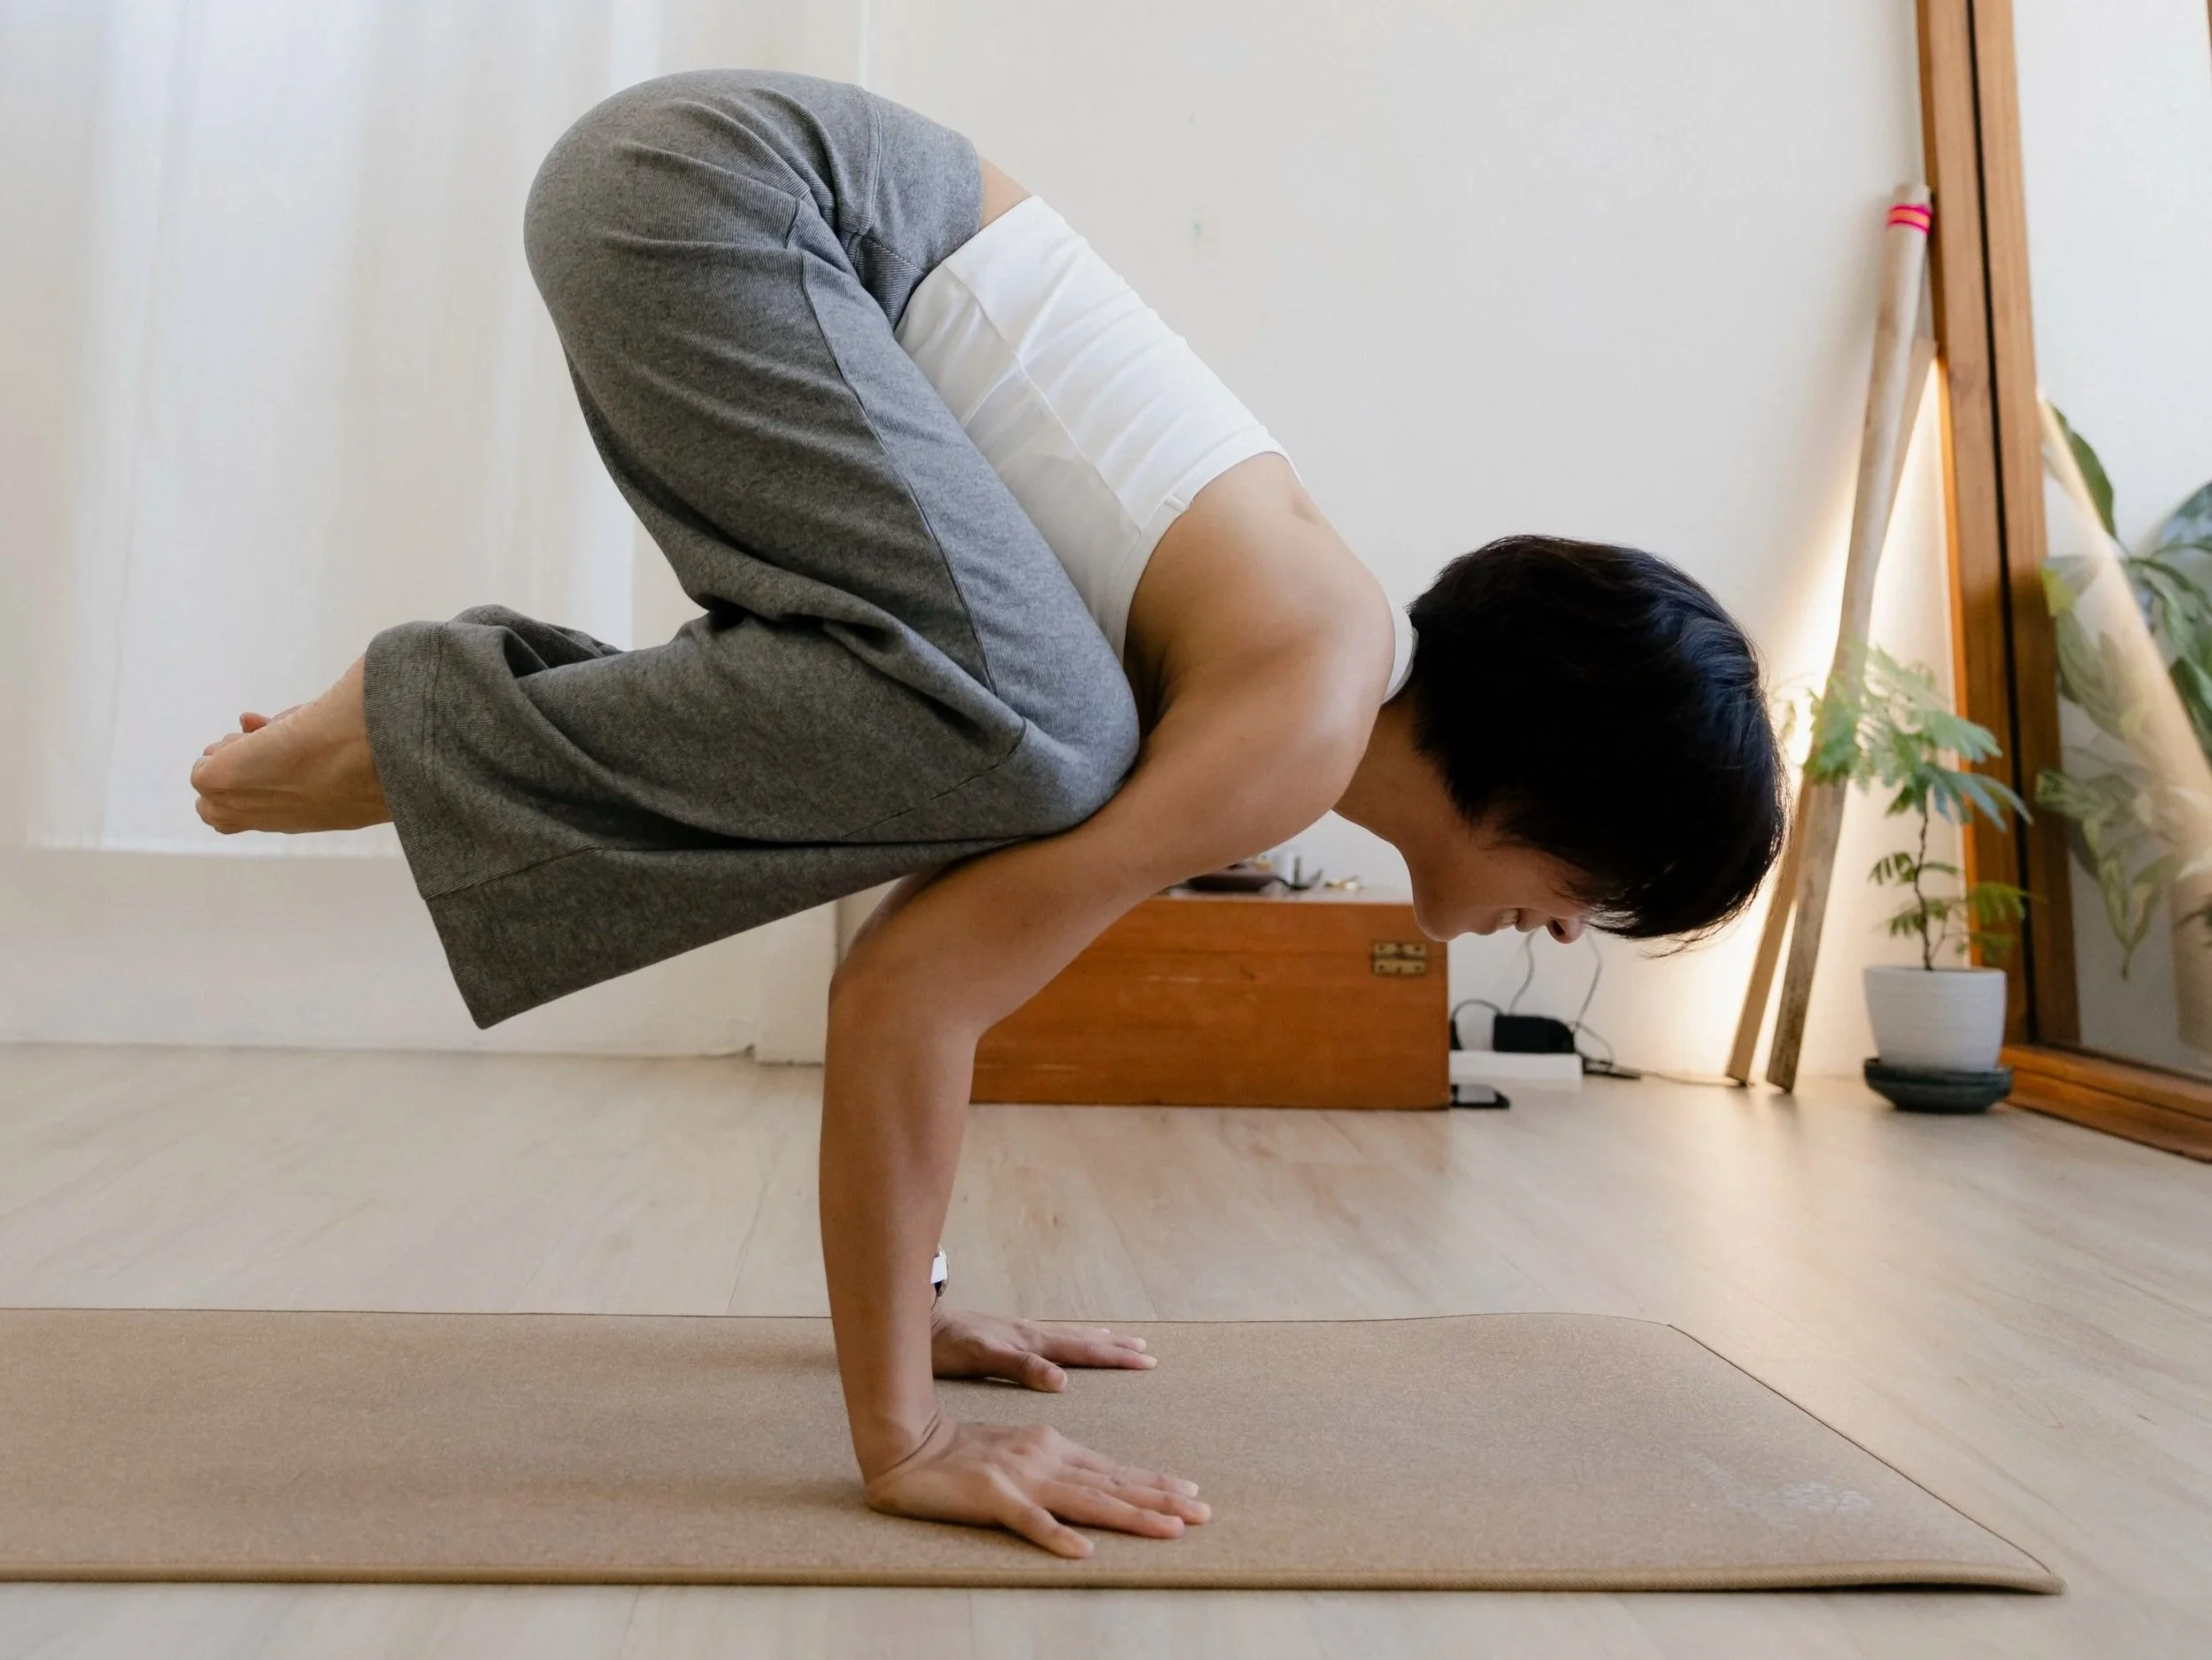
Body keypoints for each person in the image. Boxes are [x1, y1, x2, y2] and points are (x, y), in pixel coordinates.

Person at [189, 72, 1786, 1559]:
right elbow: (912, 992)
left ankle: (439, 722)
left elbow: (925, 940)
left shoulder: (1274, 660)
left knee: (1020, 746)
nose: (1571, 925)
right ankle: (428, 720)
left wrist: (918, 1299)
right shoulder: (1291, 716)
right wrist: (902, 1435)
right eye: (1601, 877)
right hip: (720, 200)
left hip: (708, 197)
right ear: (1554, 772)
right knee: (1042, 750)